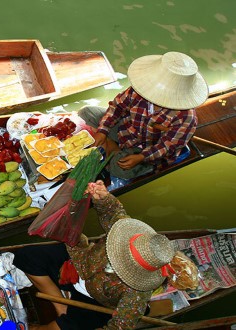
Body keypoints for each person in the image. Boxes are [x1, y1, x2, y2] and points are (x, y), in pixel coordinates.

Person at [13, 180, 198, 329]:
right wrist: (103, 197)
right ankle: (62, 305)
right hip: (79, 263)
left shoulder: (137, 294)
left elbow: (121, 325)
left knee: (66, 328)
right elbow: (114, 213)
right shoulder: (129, 234)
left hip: (97, 300)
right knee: (27, 257)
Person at [78, 52, 209, 182]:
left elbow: (167, 147)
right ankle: (112, 147)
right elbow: (117, 107)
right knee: (87, 112)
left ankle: (114, 150)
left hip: (148, 151)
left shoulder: (186, 117)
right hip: (127, 132)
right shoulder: (138, 91)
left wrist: (141, 157)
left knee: (120, 169)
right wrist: (102, 130)